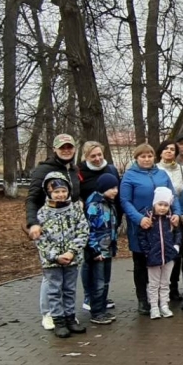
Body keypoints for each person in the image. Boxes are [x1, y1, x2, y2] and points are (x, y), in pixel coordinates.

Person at [26, 133, 81, 331]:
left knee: (68, 281)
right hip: (48, 229)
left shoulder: (73, 169)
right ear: (55, 149)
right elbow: (32, 198)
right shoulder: (44, 170)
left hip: (69, 227)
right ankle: (48, 313)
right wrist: (33, 223)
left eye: (69, 147)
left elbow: (74, 194)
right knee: (51, 278)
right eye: (62, 147)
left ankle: (67, 315)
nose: (66, 150)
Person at [120, 143, 181, 315]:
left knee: (164, 260)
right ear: (136, 158)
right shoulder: (129, 176)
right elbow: (125, 201)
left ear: (154, 157)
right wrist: (139, 219)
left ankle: (163, 298)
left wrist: (176, 212)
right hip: (142, 226)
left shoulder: (161, 174)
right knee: (141, 262)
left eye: (149, 156)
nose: (146, 159)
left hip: (163, 226)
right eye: (143, 156)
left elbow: (172, 196)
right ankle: (143, 299)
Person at [34, 172, 89, 338]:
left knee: (69, 289)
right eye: (56, 191)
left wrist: (72, 252)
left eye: (63, 191)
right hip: (52, 262)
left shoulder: (75, 210)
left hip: (72, 259)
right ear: (49, 192)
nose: (60, 194)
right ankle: (58, 320)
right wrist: (56, 256)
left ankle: (70, 317)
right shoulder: (42, 213)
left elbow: (83, 231)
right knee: (54, 290)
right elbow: (41, 240)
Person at [77, 140, 121, 313]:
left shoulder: (110, 170)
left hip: (109, 219)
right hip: (90, 220)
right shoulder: (80, 171)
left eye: (99, 155)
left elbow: (117, 195)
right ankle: (90, 296)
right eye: (92, 156)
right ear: (86, 156)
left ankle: (101, 296)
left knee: (105, 266)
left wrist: (117, 219)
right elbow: (75, 192)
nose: (96, 158)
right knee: (90, 261)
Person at [138, 187, 182, 319]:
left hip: (169, 255)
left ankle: (164, 305)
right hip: (153, 256)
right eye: (160, 204)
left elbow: (178, 233)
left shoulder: (171, 219)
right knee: (153, 284)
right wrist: (147, 251)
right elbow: (142, 236)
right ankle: (154, 307)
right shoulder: (148, 218)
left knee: (165, 283)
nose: (162, 208)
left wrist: (176, 247)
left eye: (166, 205)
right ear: (154, 204)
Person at [83, 174, 120, 325]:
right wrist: (94, 250)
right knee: (97, 283)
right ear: (103, 188)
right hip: (97, 250)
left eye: (116, 187)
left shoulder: (109, 203)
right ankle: (96, 311)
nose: (115, 191)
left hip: (107, 249)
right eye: (112, 188)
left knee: (105, 281)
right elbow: (88, 229)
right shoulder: (94, 205)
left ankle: (102, 308)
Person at [156, 139, 183, 301]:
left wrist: (181, 213)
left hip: (177, 215)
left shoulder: (182, 171)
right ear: (161, 152)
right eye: (166, 149)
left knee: (177, 253)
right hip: (160, 216)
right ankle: (160, 288)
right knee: (161, 252)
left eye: (172, 149)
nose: (169, 151)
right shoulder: (155, 169)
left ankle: (174, 286)